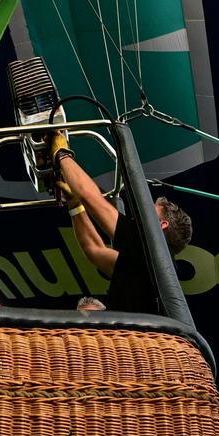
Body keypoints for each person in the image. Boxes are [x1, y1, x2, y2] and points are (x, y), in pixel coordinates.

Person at [50, 132, 192, 314]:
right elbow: (94, 249)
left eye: (150, 211)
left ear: (162, 225)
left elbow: (90, 196)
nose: (142, 214)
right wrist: (75, 206)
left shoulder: (149, 250)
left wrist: (61, 154)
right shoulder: (144, 266)